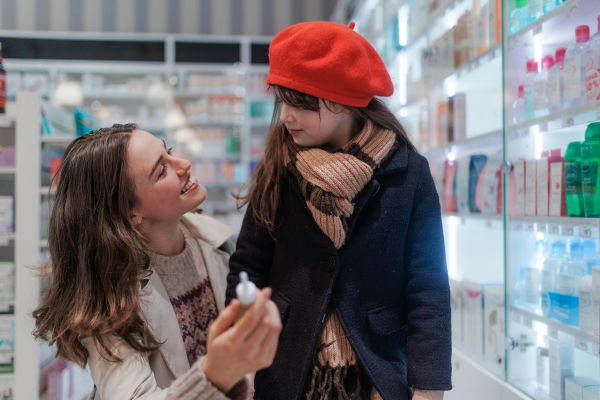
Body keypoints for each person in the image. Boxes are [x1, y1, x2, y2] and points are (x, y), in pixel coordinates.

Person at [226, 22, 451, 400]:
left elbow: (428, 285)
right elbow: (248, 264)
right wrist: (242, 354)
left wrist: (429, 388)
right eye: (282, 101)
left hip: (376, 371)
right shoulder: (278, 166)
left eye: (300, 103)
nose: (285, 117)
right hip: (286, 369)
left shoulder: (408, 173)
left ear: (343, 99)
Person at [33, 124, 282, 400]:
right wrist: (216, 375)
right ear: (130, 212)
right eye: (162, 170)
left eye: (169, 151)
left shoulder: (219, 240)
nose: (184, 164)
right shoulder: (111, 297)